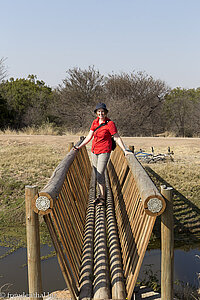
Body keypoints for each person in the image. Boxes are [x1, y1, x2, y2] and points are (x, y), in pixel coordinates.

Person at [73, 102, 131, 206]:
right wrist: (79, 147)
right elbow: (89, 136)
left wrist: (125, 150)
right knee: (96, 173)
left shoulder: (110, 124)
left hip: (104, 151)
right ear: (96, 113)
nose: (101, 114)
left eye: (103, 112)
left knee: (100, 174)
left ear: (106, 113)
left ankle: (102, 197)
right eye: (99, 112)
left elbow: (116, 137)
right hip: (94, 151)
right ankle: (100, 195)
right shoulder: (94, 122)